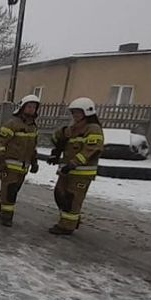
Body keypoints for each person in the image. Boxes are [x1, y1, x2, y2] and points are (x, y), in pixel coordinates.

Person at [47, 97, 104, 236]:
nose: (75, 116)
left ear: (87, 112)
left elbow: (91, 149)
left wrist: (74, 163)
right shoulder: (73, 128)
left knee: (72, 199)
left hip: (81, 173)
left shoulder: (93, 129)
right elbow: (57, 138)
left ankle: (67, 226)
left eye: (78, 112)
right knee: (60, 195)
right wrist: (56, 150)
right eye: (73, 113)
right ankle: (72, 219)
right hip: (67, 170)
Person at [0, 95, 41, 226]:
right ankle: (6, 216)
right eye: (29, 106)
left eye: (34, 107)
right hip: (9, 165)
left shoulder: (33, 127)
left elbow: (32, 146)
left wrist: (34, 161)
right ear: (23, 107)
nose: (31, 109)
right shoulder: (12, 123)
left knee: (10, 189)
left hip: (24, 167)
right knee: (10, 191)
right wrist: (1, 161)